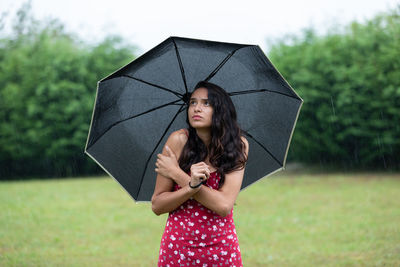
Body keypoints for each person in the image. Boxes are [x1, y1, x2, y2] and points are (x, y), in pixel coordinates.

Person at [151, 81, 249, 267]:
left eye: (206, 103)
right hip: (178, 249)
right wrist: (191, 186)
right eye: (193, 103)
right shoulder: (178, 141)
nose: (196, 108)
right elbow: (157, 205)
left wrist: (177, 174)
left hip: (222, 249)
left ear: (221, 109)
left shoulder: (238, 145)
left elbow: (223, 206)